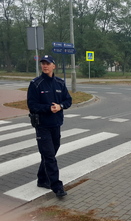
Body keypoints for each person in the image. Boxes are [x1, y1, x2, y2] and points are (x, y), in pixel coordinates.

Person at [27, 55, 72, 197]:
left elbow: (68, 100)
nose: (45, 66)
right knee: (49, 156)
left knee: (50, 153)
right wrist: (48, 108)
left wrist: (61, 106)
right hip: (42, 125)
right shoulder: (36, 84)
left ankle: (42, 179)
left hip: (56, 124)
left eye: (48, 63)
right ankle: (57, 186)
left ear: (54, 66)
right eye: (43, 64)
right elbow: (32, 105)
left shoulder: (60, 83)